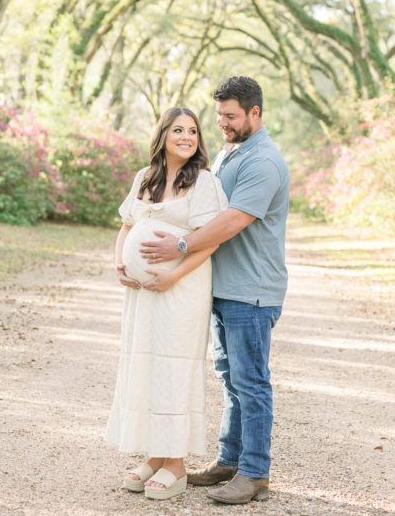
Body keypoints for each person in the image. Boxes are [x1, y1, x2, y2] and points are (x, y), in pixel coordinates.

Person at [141, 76, 290, 505]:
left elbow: (233, 220)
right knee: (230, 381)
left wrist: (181, 244)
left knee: (251, 381)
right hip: (224, 288)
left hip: (252, 291)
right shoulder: (231, 153)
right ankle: (229, 460)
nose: (221, 123)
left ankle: (255, 472)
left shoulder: (263, 161)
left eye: (230, 115)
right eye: (219, 115)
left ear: (255, 113)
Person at [105, 107, 228, 500]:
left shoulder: (205, 182)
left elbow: (211, 240)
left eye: (193, 131)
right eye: (178, 130)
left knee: (173, 367)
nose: (187, 137)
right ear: (163, 135)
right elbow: (126, 226)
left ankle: (175, 463)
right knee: (147, 364)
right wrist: (121, 263)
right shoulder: (146, 177)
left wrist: (173, 274)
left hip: (181, 289)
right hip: (141, 294)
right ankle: (155, 456)